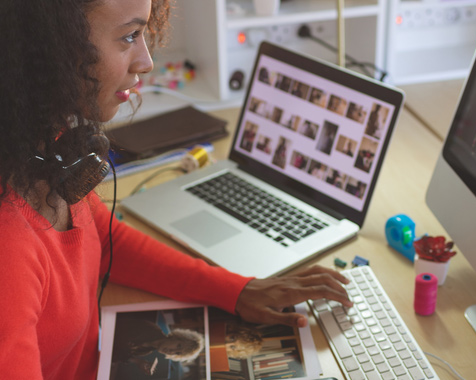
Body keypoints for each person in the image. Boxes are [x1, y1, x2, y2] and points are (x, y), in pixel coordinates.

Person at [0, 1, 353, 379]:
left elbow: (103, 239)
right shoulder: (10, 248)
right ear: (52, 47)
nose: (146, 61)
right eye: (129, 36)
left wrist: (237, 290)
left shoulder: (46, 152)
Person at [112, 318, 205, 374]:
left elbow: (114, 354)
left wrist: (137, 361)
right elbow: (113, 332)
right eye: (179, 346)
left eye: (178, 352)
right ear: (176, 337)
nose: (172, 352)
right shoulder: (149, 329)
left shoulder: (146, 351)